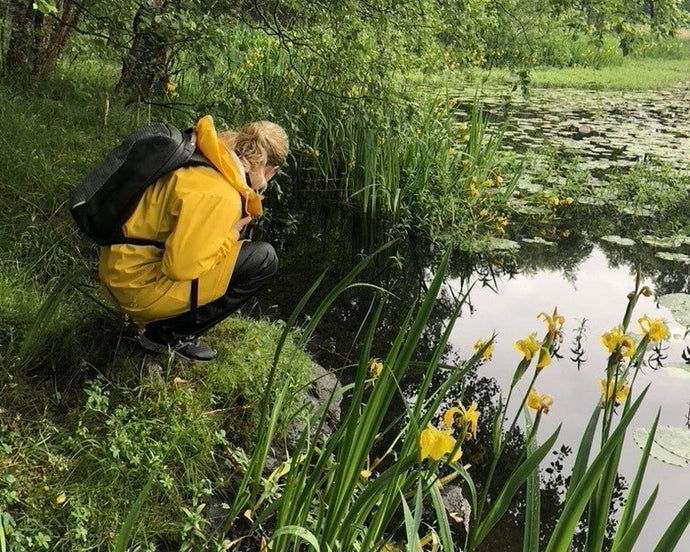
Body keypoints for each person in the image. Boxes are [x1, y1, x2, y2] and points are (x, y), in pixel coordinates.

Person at [98, 115, 288, 362]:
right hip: (135, 288)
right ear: (270, 171)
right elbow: (178, 268)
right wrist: (230, 236)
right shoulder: (222, 195)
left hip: (119, 265)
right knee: (263, 260)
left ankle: (159, 323)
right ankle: (165, 335)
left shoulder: (206, 155)